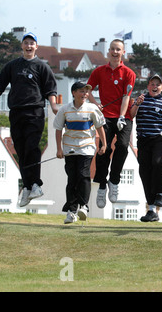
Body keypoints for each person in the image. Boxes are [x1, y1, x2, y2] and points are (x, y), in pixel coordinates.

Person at [0, 32, 58, 207]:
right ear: (22, 46)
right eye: (26, 43)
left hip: (35, 112)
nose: (29, 46)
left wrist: (53, 106)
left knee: (32, 147)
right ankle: (28, 187)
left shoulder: (42, 67)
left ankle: (35, 183)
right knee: (21, 151)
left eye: (32, 43)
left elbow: (51, 89)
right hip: (15, 112)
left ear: (36, 47)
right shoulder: (12, 66)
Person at [87, 39, 136, 208]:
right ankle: (101, 184)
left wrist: (122, 116)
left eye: (118, 50)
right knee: (104, 149)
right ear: (109, 51)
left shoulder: (129, 73)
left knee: (122, 146)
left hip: (124, 116)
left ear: (123, 52)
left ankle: (113, 181)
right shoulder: (100, 71)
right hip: (105, 116)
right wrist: (95, 104)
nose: (115, 52)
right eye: (113, 49)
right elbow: (87, 90)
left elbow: (126, 96)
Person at [53, 82, 107, 224]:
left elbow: (100, 126)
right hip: (70, 149)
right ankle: (71, 211)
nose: (85, 94)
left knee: (83, 175)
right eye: (82, 91)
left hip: (87, 147)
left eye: (86, 92)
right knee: (72, 179)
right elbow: (58, 129)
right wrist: (59, 149)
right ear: (74, 93)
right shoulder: (64, 109)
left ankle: (83, 206)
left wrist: (104, 144)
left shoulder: (92, 108)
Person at [130, 74, 162, 222]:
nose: (155, 86)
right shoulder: (141, 100)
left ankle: (160, 194)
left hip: (160, 139)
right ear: (148, 86)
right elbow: (131, 115)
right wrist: (136, 104)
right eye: (152, 84)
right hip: (143, 140)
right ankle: (152, 210)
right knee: (145, 172)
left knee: (157, 163)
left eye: (158, 84)